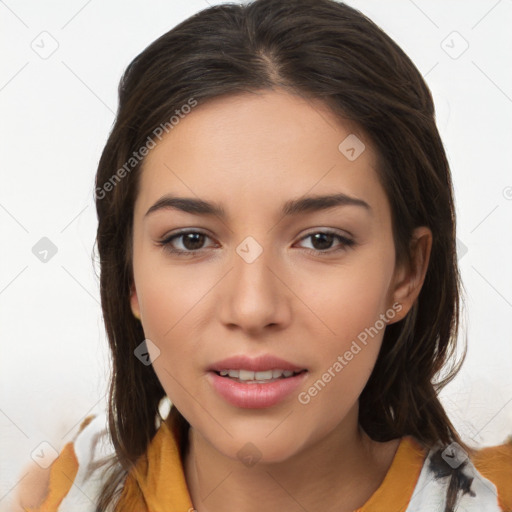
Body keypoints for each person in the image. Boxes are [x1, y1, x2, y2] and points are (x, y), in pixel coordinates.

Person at [19, 0, 512, 511]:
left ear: (405, 274)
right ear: (130, 278)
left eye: (322, 240)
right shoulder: (55, 492)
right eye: (191, 240)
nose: (252, 308)